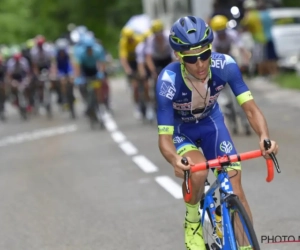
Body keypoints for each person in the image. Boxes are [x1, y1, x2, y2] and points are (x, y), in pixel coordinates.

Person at [155, 16, 279, 250]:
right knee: (198, 173)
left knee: (235, 189)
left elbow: (250, 109)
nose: (200, 64)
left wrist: (264, 136)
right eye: (192, 58)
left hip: (212, 124)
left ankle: (244, 245)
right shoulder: (168, 80)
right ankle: (193, 221)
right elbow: (164, 138)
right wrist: (174, 159)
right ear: (179, 57)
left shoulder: (226, 65)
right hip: (183, 131)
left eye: (205, 54)